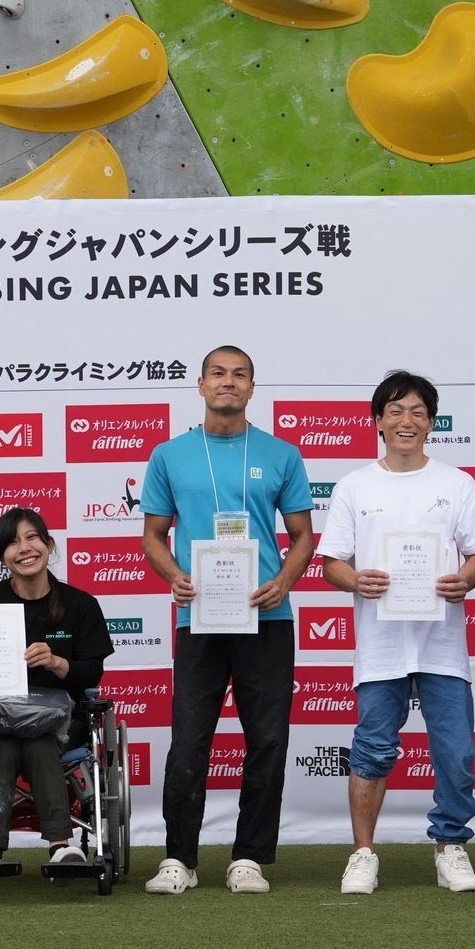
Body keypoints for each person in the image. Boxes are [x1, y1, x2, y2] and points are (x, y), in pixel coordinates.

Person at [139, 345, 314, 895]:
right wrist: (174, 576)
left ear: (252, 388)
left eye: (240, 375)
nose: (228, 382)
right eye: (218, 373)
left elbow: (303, 536)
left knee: (268, 739)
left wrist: (283, 582)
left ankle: (249, 859)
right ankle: (179, 859)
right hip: (200, 616)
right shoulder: (169, 455)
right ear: (201, 384)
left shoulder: (282, 454)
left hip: (266, 614)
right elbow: (153, 536)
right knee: (190, 739)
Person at [316, 371, 475, 895]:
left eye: (417, 411)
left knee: (456, 753)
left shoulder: (457, 484)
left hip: (443, 646)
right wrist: (356, 580)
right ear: (378, 421)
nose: (406, 421)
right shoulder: (355, 485)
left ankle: (450, 846)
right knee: (372, 749)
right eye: (395, 411)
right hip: (382, 646)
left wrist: (465, 580)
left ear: (432, 422)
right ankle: (363, 853)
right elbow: (331, 563)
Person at [0, 507, 115, 869]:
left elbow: (92, 674)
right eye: (13, 543)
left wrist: (57, 662)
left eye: (32, 538)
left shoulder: (81, 605)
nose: (24, 548)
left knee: (38, 742)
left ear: (49, 545)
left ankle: (54, 846)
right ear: (2, 557)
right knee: (5, 742)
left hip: (62, 720)